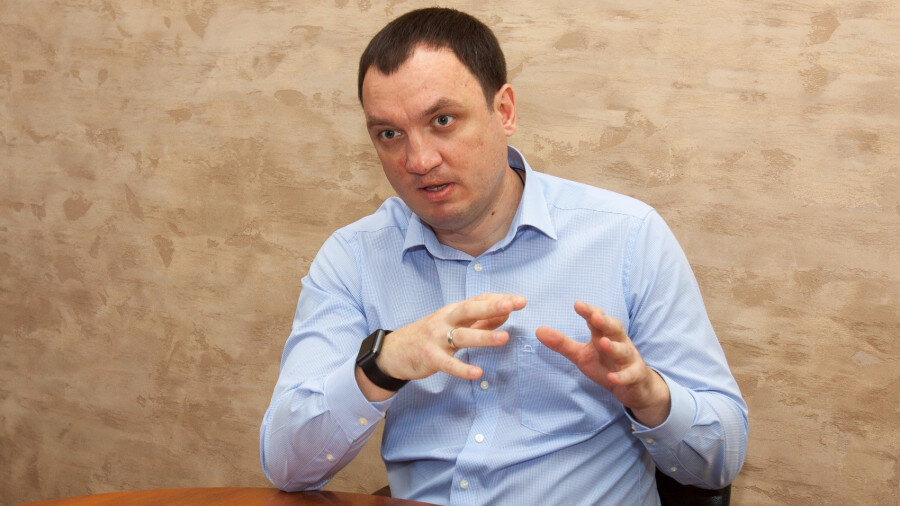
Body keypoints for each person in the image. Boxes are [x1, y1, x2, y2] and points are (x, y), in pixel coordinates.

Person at [260, 8, 748, 505]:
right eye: (389, 133)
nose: (419, 160)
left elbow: (721, 457)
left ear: (505, 111)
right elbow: (287, 468)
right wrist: (381, 364)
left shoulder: (627, 236)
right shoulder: (353, 258)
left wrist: (650, 397)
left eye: (442, 120)